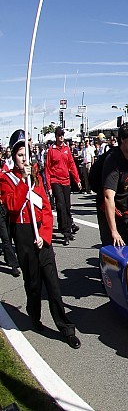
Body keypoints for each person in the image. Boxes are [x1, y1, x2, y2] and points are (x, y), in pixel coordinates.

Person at [0, 130, 81, 348]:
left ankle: (65, 328)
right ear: (13, 156)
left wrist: (45, 236)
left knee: (53, 284)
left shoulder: (35, 175)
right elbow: (11, 206)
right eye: (19, 154)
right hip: (23, 233)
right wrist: (23, 183)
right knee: (33, 284)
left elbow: (45, 207)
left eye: (26, 153)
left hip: (40, 234)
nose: (24, 158)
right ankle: (34, 316)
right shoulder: (6, 179)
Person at [44, 127, 81, 244]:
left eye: (62, 134)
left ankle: (67, 226)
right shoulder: (51, 150)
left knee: (67, 206)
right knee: (60, 205)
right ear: (55, 136)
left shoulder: (67, 149)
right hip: (55, 180)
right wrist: (49, 187)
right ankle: (66, 233)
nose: (61, 136)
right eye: (59, 134)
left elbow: (72, 165)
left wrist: (77, 180)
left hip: (66, 181)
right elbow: (47, 169)